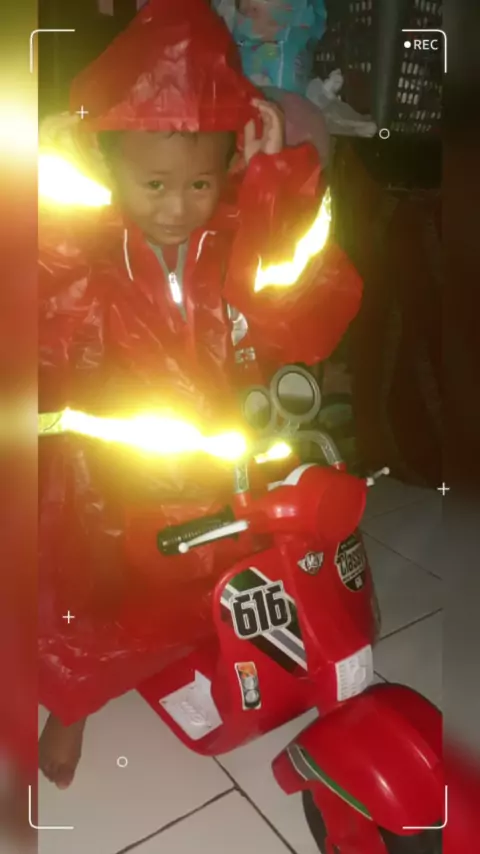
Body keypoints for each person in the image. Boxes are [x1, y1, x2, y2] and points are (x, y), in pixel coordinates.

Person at [38, 0, 362, 789]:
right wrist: (60, 183)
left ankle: (219, 655)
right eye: (153, 182)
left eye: (199, 183)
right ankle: (71, 707)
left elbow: (303, 316)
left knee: (221, 591)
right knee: (96, 610)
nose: (178, 205)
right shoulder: (87, 252)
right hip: (110, 487)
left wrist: (277, 186)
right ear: (109, 166)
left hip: (228, 477)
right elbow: (40, 299)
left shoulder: (239, 238)